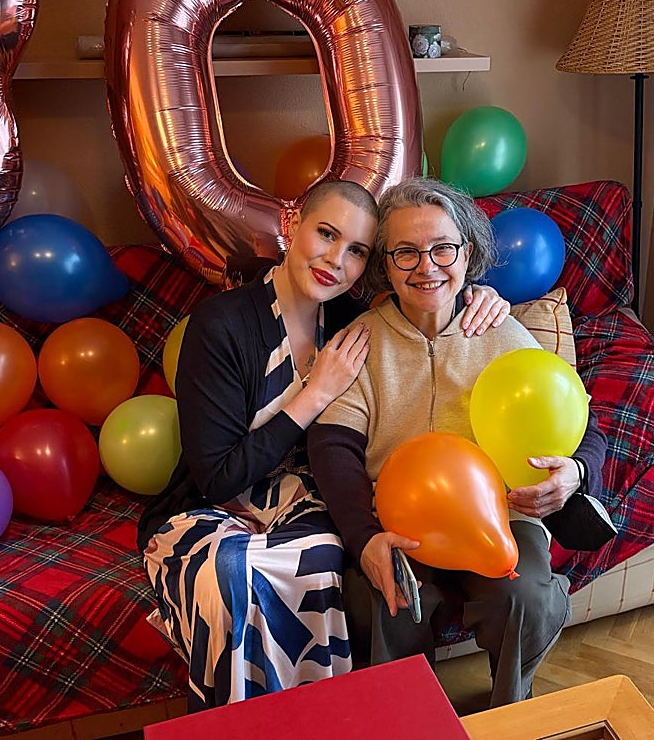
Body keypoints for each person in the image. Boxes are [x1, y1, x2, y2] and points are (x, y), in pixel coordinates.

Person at [137, 181, 510, 711]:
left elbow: (430, 293)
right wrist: (313, 396)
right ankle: (245, 723)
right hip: (211, 506)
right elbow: (218, 477)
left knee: (325, 558)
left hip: (307, 501)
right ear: (292, 226)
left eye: (356, 250)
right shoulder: (219, 326)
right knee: (232, 573)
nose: (336, 260)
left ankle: (322, 718)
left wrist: (480, 295)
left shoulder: (348, 318)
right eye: (327, 234)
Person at [308, 177, 608, 708]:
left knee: (528, 598)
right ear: (384, 264)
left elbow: (579, 422)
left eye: (442, 248)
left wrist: (576, 473)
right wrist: (364, 537)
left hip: (499, 517)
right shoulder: (360, 342)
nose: (427, 267)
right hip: (398, 520)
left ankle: (510, 714)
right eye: (406, 252)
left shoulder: (501, 331)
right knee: (382, 601)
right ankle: (401, 716)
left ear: (466, 255)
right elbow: (332, 450)